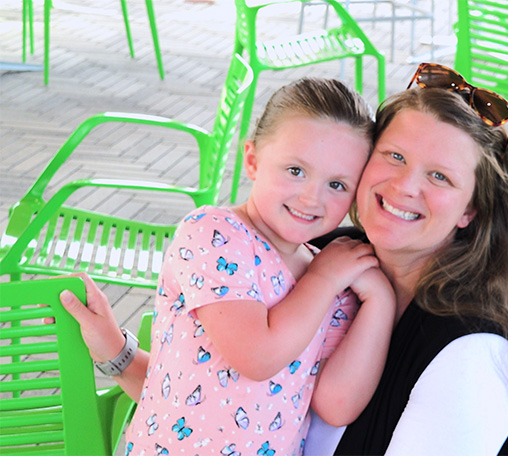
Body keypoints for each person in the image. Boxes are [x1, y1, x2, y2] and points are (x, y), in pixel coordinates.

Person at [62, 63, 508, 455]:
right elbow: (211, 393)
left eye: (440, 176)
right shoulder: (325, 255)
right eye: (394, 156)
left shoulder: (469, 354)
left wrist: (372, 299)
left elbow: (331, 404)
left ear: (470, 210)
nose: (405, 186)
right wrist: (117, 356)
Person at [58, 77, 395, 455]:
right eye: (295, 170)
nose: (311, 197)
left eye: (337, 184)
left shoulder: (330, 279)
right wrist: (325, 278)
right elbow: (257, 356)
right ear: (252, 160)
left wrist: (380, 301)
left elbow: (336, 405)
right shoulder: (216, 235)